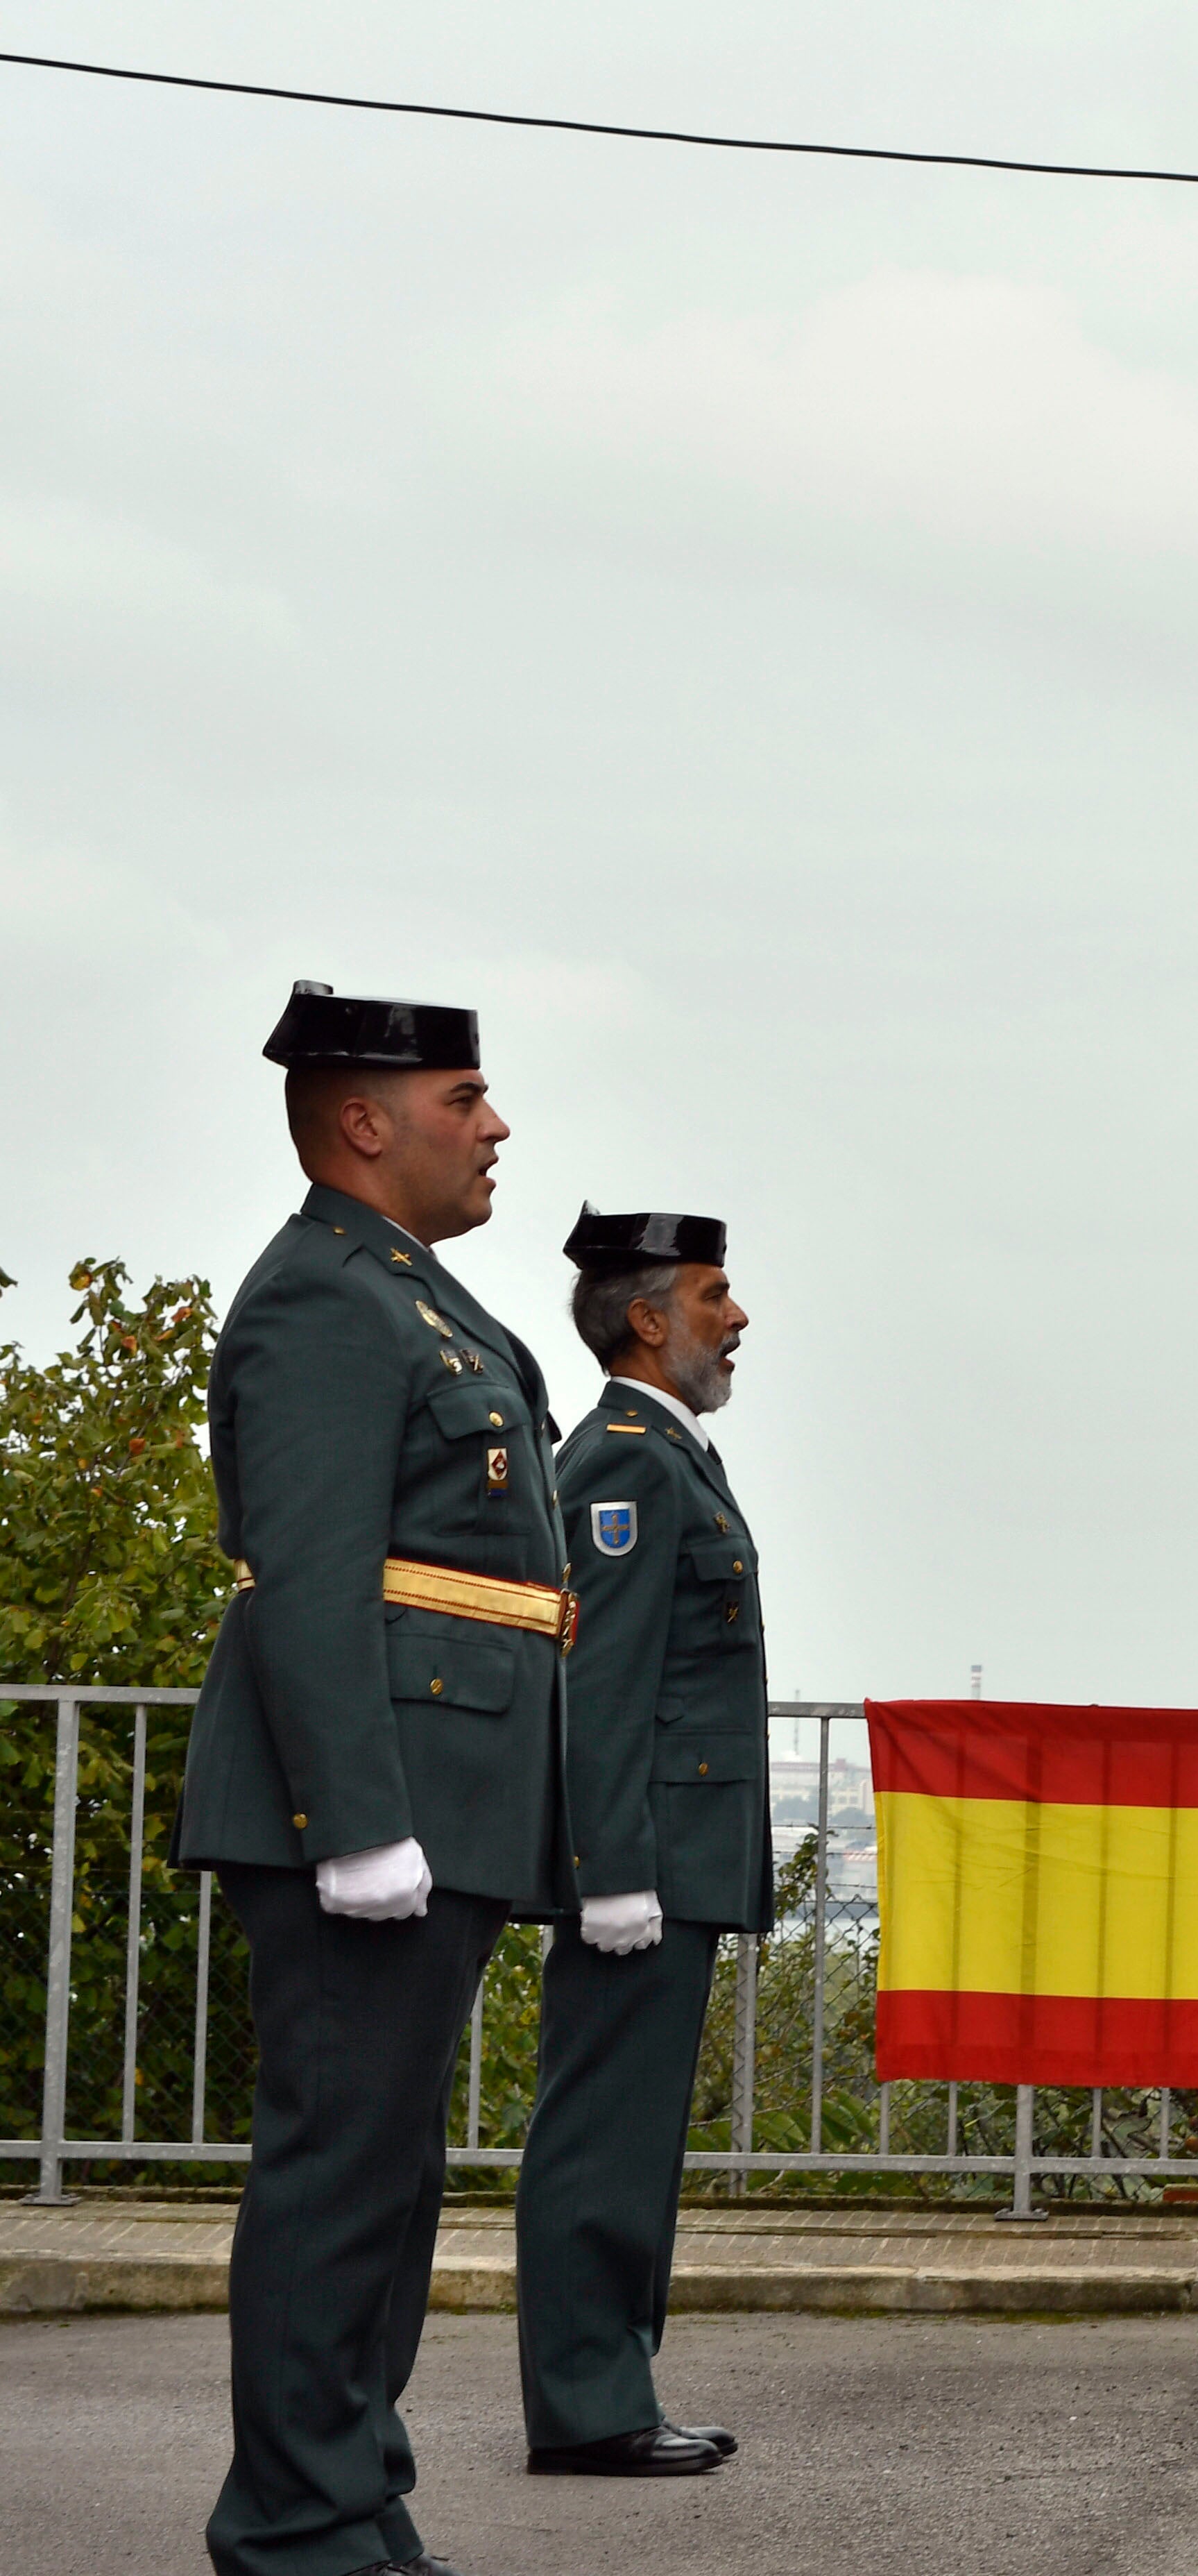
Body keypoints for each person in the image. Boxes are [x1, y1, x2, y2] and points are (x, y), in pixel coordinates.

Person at [178, 982, 574, 2576]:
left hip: (445, 1788)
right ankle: (293, 2520)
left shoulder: (410, 1295)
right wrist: (355, 1823)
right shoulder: (323, 1300)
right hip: (373, 1805)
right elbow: (314, 1575)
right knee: (341, 2160)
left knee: (389, 2167)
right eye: (465, 1097)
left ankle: (347, 2487)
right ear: (364, 1119)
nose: (494, 1125)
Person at [510, 1208, 769, 2479]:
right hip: (643, 1861)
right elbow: (597, 1681)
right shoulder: (621, 1457)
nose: (738, 1319)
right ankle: (588, 2402)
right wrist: (608, 1871)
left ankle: (612, 2381)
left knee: (632, 2129)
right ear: (649, 1319)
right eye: (716, 1295)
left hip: (672, 1849)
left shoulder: (670, 1455)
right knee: (602, 2131)